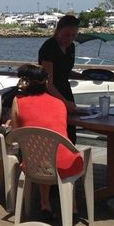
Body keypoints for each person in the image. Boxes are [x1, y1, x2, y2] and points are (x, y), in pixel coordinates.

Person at [9, 64, 83, 219]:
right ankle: (73, 207)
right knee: (60, 152)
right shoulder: (59, 103)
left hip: (33, 165)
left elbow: (15, 132)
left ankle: (45, 204)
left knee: (41, 152)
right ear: (46, 82)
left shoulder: (18, 101)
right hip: (64, 165)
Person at [38, 14, 83, 143]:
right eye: (66, 35)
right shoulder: (49, 47)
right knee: (57, 134)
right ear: (58, 31)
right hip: (51, 93)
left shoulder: (71, 47)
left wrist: (84, 76)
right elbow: (48, 82)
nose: (70, 39)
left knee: (71, 134)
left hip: (65, 89)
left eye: (74, 35)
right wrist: (64, 102)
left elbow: (64, 71)